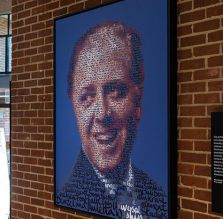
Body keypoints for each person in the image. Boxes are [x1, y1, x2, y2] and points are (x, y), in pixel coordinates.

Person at [56, 21, 167, 219]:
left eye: (115, 91)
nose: (102, 113)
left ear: (138, 101)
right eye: (87, 97)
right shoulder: (68, 197)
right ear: (74, 106)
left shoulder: (157, 195)